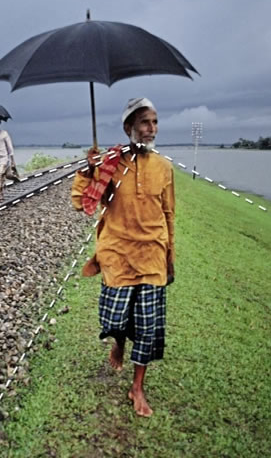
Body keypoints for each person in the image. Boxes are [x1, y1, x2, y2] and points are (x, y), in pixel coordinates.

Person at [71, 97, 175, 418]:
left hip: (152, 256)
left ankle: (137, 387)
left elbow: (169, 214)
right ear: (129, 127)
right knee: (114, 319)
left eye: (155, 122)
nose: (151, 129)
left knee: (148, 327)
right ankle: (118, 341)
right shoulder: (110, 163)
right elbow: (79, 202)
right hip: (117, 254)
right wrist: (89, 170)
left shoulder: (164, 166)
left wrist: (170, 257)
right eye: (145, 122)